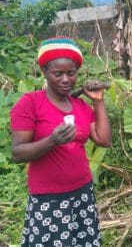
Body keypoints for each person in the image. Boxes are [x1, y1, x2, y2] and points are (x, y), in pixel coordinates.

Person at [10, 36, 112, 246]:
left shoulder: (80, 106)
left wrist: (98, 101)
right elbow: (18, 153)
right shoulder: (30, 103)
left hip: (82, 192)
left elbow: (104, 140)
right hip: (48, 198)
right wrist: (52, 140)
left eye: (71, 73)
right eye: (58, 74)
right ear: (45, 73)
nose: (66, 79)